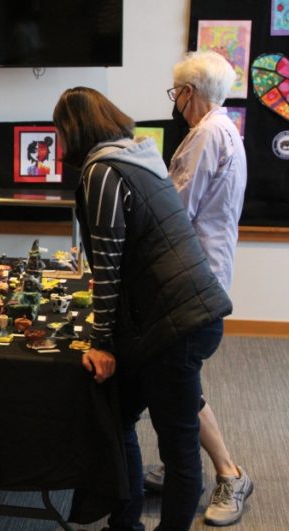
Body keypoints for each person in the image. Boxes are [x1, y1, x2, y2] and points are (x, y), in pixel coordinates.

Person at [53, 86, 233, 531]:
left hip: (176, 324)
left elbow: (109, 266)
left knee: (178, 446)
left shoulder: (102, 171)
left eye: (58, 131)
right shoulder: (137, 157)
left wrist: (99, 342)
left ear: (74, 128)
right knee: (120, 419)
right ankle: (125, 524)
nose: (58, 142)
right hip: (175, 317)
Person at [143, 50, 251, 527]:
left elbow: (175, 211)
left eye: (177, 93)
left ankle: (228, 473)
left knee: (179, 376)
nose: (176, 102)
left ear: (190, 92)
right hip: (202, 272)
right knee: (178, 377)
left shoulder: (207, 133)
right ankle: (183, 462)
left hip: (192, 277)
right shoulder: (224, 130)